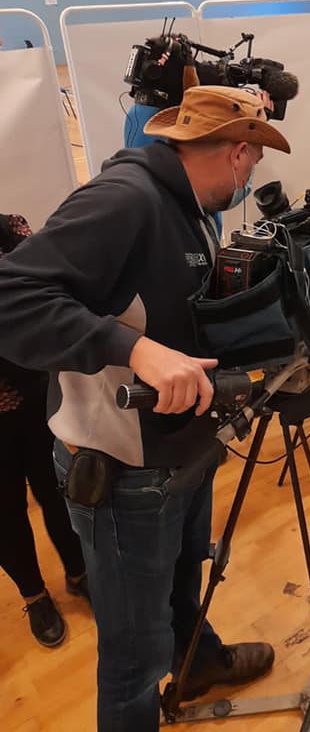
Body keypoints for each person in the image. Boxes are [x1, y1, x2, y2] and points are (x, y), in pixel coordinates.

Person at [0, 87, 291, 731]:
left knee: (186, 580)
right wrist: (131, 349)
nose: (251, 180)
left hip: (180, 449)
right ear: (238, 153)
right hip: (123, 468)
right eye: (254, 165)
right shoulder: (124, 200)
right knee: (133, 658)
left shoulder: (184, 205)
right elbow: (10, 297)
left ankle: (198, 662)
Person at [0, 214, 91, 648]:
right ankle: (34, 596)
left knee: (56, 489)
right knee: (5, 511)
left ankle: (79, 571)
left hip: (33, 392)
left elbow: (41, 286)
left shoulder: (9, 228)